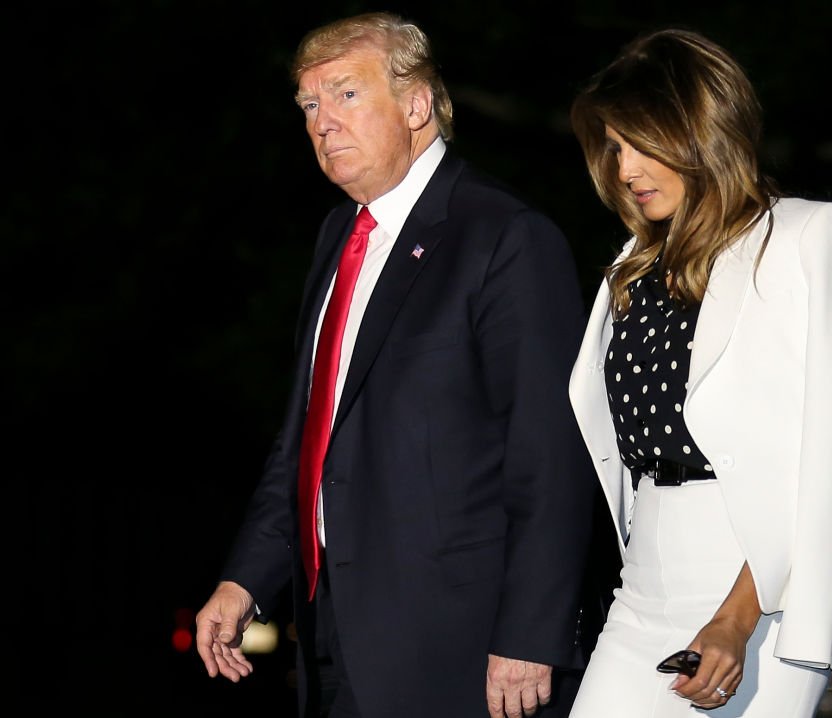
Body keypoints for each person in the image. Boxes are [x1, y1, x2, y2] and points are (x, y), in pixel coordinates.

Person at [194, 12, 595, 718]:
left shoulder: (504, 237)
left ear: (416, 105)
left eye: (347, 95)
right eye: (311, 105)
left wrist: (532, 633)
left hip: (466, 651)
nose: (323, 122)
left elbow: (551, 453)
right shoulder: (338, 237)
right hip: (336, 635)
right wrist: (244, 582)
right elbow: (309, 440)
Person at [565, 27, 832, 717]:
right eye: (614, 148)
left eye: (642, 143)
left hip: (764, 589)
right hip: (642, 584)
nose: (624, 169)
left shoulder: (804, 238)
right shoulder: (631, 268)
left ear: (701, 131)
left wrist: (737, 617)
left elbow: (819, 458)